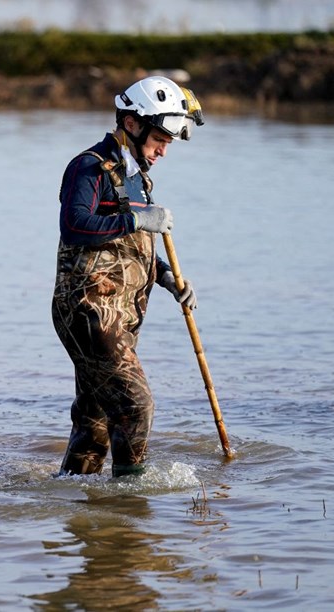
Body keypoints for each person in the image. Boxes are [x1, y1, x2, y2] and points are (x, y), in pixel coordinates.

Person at [52, 75, 204, 477]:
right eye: (160, 139)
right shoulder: (89, 167)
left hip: (119, 315)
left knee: (95, 421)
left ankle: (80, 508)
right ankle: (128, 510)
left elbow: (127, 248)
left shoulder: (137, 177)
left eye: (168, 143)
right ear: (132, 124)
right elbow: (75, 225)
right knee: (135, 406)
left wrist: (167, 278)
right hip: (89, 313)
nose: (163, 151)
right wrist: (136, 217)